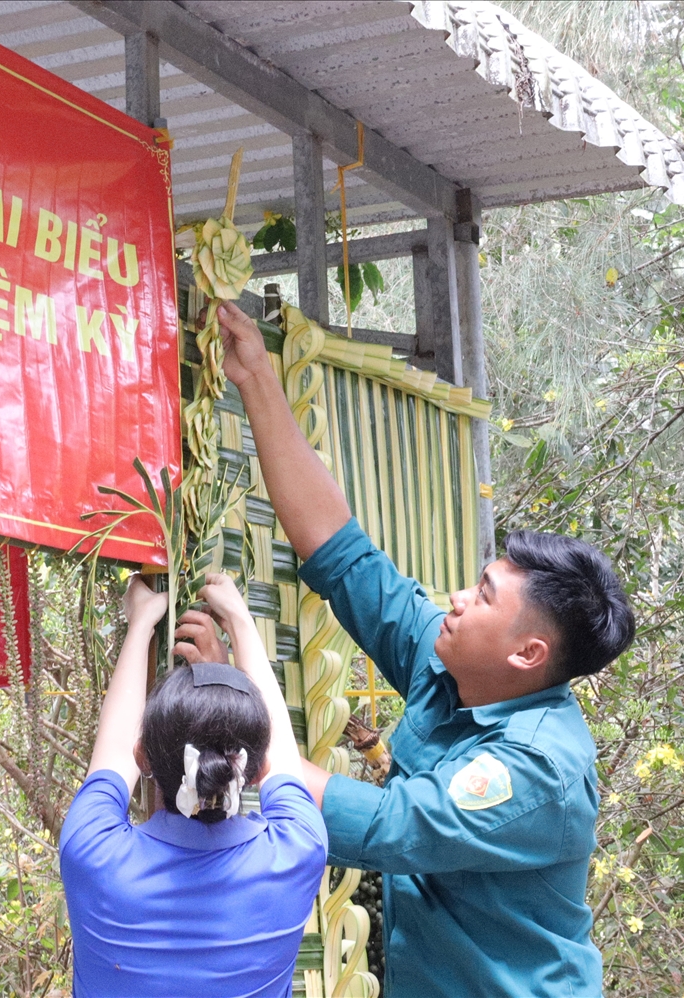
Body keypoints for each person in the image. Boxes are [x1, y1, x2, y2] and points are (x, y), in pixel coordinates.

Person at [172, 302, 638, 996]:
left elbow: (392, 826)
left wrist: (228, 698)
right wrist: (258, 382)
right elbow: (343, 556)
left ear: (527, 654)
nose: (454, 599)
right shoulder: (449, 664)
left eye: (482, 596)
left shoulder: (538, 769)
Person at [59, 572, 327, 998]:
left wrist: (143, 621)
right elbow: (280, 750)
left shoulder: (92, 856)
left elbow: (111, 751)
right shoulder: (298, 850)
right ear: (256, 770)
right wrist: (241, 621)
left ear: (142, 755)